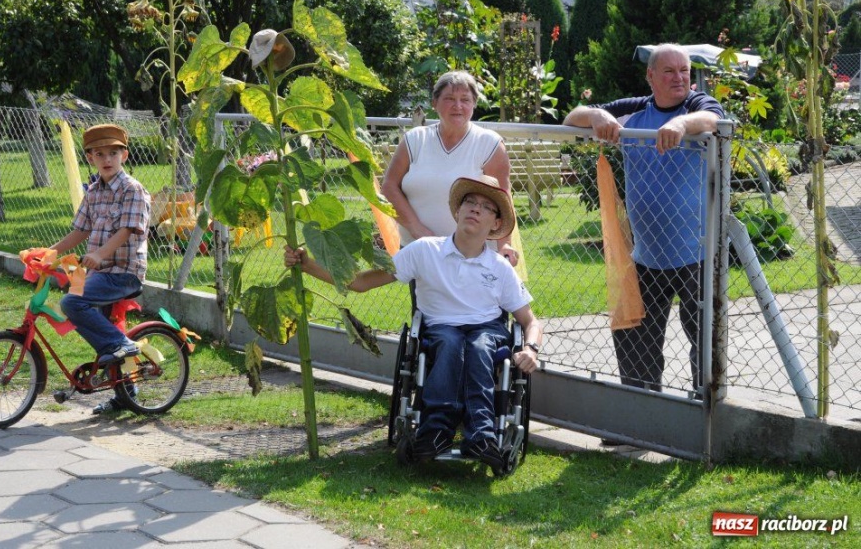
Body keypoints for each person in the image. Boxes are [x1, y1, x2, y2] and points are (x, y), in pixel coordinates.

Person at [285, 175, 541, 468]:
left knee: (480, 346)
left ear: (496, 223)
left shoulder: (500, 268)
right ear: (457, 211)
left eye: (485, 206)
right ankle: (436, 432)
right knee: (450, 342)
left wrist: (531, 348)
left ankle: (481, 435)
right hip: (440, 327)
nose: (475, 208)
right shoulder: (425, 250)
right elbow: (361, 282)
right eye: (470, 201)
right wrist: (308, 265)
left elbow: (531, 321)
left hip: (486, 329)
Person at [563, 43, 723, 402]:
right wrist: (597, 116)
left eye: (684, 70)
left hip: (697, 255)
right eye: (669, 71)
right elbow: (571, 117)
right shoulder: (635, 109)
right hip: (646, 256)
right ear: (650, 76)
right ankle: (643, 411)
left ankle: (706, 412)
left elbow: (715, 120)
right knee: (635, 341)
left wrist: (680, 123)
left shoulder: (696, 105)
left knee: (706, 342)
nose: (679, 78)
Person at [50, 123, 151, 415]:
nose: (107, 159)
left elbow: (127, 230)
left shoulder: (133, 189)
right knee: (96, 327)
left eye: (113, 153)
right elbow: (80, 230)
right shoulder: (94, 191)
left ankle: (122, 344)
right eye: (99, 154)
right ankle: (124, 395)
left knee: (73, 302)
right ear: (90, 158)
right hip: (98, 273)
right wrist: (49, 252)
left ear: (124, 156)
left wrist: (99, 253)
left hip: (124, 273)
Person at [382, 70, 519, 265]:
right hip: (420, 252)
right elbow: (389, 187)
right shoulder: (414, 139)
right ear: (434, 102)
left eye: (465, 99)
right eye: (449, 98)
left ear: (474, 104)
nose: (458, 106)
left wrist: (504, 245)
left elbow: (503, 198)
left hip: (471, 257)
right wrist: (417, 229)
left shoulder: (490, 144)